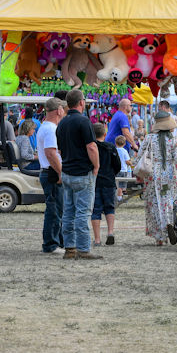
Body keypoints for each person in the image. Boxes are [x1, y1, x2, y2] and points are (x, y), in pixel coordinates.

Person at [57, 89, 101, 259]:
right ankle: (83, 249)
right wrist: (96, 166)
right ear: (81, 102)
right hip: (83, 173)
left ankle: (70, 248)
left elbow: (60, 149)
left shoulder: (62, 123)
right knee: (83, 213)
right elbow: (91, 146)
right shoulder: (83, 121)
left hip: (67, 171)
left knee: (68, 212)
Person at [134, 111, 177, 246]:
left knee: (155, 203)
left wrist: (137, 172)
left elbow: (140, 155)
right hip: (170, 174)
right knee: (172, 202)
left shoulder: (149, 138)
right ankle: (171, 224)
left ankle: (159, 237)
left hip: (153, 175)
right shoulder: (175, 140)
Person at [38, 97, 65, 253]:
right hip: (52, 172)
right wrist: (60, 172)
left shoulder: (46, 127)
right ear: (59, 110)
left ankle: (57, 242)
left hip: (49, 171)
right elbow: (50, 153)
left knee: (56, 209)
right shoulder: (51, 129)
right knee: (54, 210)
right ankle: (51, 244)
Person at [92, 123, 122, 246]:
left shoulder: (91, 147)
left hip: (95, 181)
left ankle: (97, 239)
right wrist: (111, 173)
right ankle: (110, 232)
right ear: (105, 134)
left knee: (96, 210)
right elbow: (118, 165)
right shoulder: (111, 147)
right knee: (110, 207)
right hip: (109, 181)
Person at [114, 135, 132, 201]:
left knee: (116, 184)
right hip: (123, 170)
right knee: (121, 185)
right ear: (124, 144)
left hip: (115, 170)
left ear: (115, 143)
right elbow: (127, 161)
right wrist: (131, 163)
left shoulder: (114, 150)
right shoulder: (124, 151)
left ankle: (117, 196)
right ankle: (119, 198)